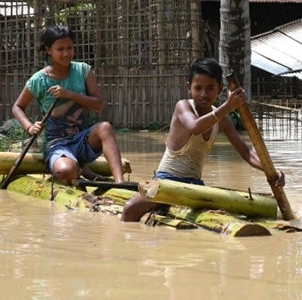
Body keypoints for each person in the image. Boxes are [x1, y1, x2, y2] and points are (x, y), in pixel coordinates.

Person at [122, 57, 285, 222]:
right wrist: (229, 106)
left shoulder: (223, 120)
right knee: (129, 209)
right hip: (167, 180)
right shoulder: (183, 106)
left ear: (220, 89)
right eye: (198, 88)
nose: (204, 94)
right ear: (189, 87)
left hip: (195, 185)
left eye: (210, 88)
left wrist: (271, 171)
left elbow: (246, 152)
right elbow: (194, 126)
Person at [11, 24, 125, 184]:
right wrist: (29, 126)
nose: (66, 53)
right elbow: (17, 107)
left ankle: (119, 182)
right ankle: (80, 169)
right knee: (66, 171)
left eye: (70, 48)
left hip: (83, 140)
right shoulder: (39, 80)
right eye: (60, 49)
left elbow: (98, 104)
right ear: (48, 50)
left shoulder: (82, 71)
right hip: (56, 144)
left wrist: (69, 94)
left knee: (105, 127)